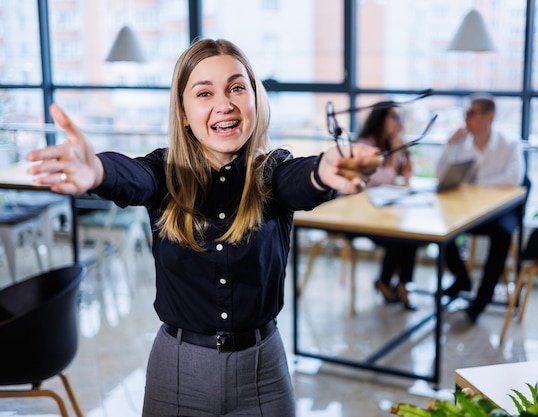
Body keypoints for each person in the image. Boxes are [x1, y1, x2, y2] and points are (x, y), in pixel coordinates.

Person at [26, 38, 381, 417]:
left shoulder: (274, 170)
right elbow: (131, 177)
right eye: (204, 93)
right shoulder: (163, 172)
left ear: (255, 99)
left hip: (264, 375)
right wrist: (97, 170)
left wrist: (326, 169)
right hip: (177, 374)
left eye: (236, 87)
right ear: (183, 111)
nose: (224, 104)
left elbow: (302, 178)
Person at [435, 93, 524, 323]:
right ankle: (461, 278)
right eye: (465, 113)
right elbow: (440, 176)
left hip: (501, 210)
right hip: (469, 209)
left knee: (502, 235)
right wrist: (449, 145)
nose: (466, 119)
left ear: (489, 116)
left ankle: (481, 300)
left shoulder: (509, 143)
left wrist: (475, 184)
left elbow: (513, 178)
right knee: (440, 225)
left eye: (471, 113)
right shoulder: (461, 144)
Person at [356, 101, 419, 310]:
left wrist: (405, 152)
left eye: (399, 117)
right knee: (399, 237)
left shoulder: (390, 143)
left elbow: (407, 175)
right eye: (394, 117)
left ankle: (401, 283)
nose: (398, 122)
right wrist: (393, 156)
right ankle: (385, 281)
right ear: (380, 119)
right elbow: (379, 180)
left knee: (411, 234)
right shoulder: (365, 145)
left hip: (383, 211)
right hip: (359, 214)